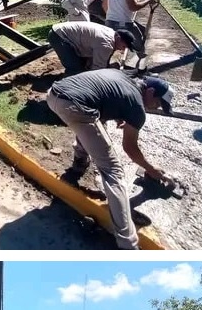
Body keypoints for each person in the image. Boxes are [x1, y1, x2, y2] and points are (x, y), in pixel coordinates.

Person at [46, 68, 173, 251]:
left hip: (55, 94)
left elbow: (105, 94)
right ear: (151, 92)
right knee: (114, 171)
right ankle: (128, 244)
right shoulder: (137, 108)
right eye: (158, 103)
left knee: (92, 124)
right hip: (75, 105)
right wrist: (151, 170)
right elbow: (130, 148)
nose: (156, 107)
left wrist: (119, 114)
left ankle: (79, 163)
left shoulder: (124, 77)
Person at [46, 21, 139, 74]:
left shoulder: (111, 32)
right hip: (60, 36)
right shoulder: (106, 44)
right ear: (118, 37)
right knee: (75, 69)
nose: (122, 49)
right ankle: (66, 91)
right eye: (123, 46)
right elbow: (97, 69)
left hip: (63, 32)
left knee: (83, 64)